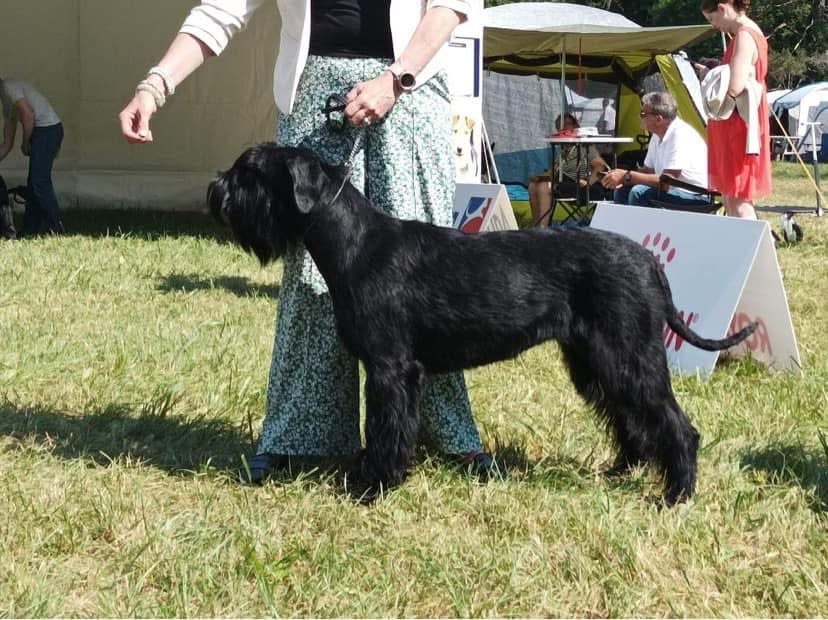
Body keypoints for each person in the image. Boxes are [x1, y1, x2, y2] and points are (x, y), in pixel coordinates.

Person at [118, 1, 493, 483]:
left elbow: (452, 5)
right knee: (314, 281)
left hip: (411, 88)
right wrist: (156, 85)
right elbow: (221, 10)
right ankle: (302, 435)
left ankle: (446, 433)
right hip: (315, 92)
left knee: (423, 282)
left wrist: (396, 78)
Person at [700, 0, 772, 219]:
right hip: (742, 121)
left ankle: (750, 249)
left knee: (738, 196)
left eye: (713, 19)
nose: (714, 26)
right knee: (732, 195)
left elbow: (736, 85)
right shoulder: (751, 33)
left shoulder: (743, 36)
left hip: (738, 124)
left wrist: (711, 77)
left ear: (723, 8)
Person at [602, 92, 711, 208]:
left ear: (659, 119)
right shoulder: (657, 136)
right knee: (623, 190)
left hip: (696, 195)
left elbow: (667, 182)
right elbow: (647, 171)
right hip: (675, 191)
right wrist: (620, 177)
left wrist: (626, 176)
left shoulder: (680, 134)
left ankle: (641, 226)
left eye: (643, 114)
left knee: (639, 193)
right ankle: (623, 226)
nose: (640, 117)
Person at [0, 77, 64, 236]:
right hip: (42, 131)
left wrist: (26, 143)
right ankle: (30, 228)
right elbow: (7, 144)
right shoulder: (6, 102)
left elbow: (28, 115)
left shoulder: (9, 87)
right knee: (34, 183)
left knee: (39, 182)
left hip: (48, 129)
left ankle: (56, 228)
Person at [528, 113, 607, 227]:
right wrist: (540, 177)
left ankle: (543, 228)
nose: (564, 127)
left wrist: (589, 182)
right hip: (565, 184)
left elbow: (600, 166)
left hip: (582, 188)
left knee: (543, 186)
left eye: (567, 124)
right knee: (533, 185)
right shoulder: (565, 150)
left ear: (575, 126)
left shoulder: (585, 146)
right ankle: (536, 225)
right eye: (560, 125)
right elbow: (553, 170)